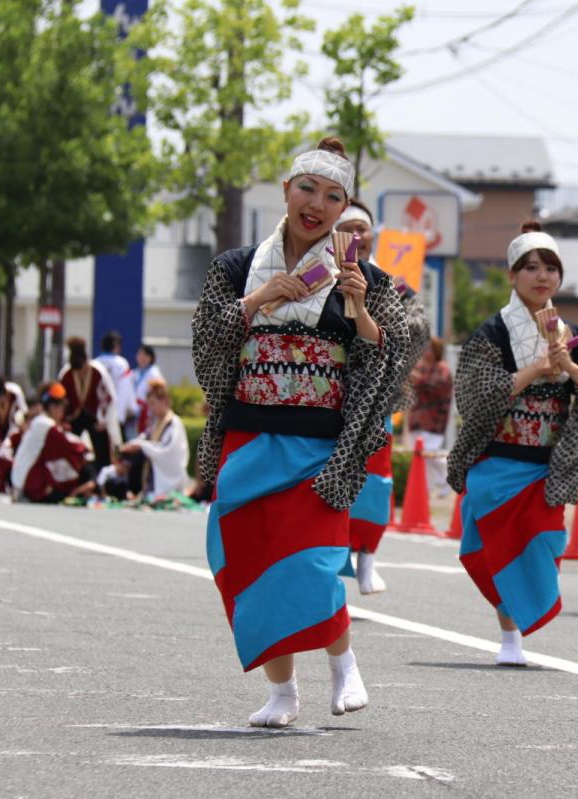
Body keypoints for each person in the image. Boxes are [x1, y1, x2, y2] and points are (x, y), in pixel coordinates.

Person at [194, 137, 410, 729]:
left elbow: (389, 364)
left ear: (345, 210)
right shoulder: (237, 267)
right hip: (248, 438)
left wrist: (361, 311)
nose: (316, 204)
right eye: (307, 190)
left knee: (312, 565)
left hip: (321, 448)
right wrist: (259, 299)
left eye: (332, 196)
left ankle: (343, 663)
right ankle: (282, 691)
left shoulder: (365, 277)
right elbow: (204, 345)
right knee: (245, 564)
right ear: (286, 191)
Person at [446, 221, 578, 667]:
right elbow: (474, 395)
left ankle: (519, 627)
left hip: (546, 466)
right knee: (498, 549)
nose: (542, 277)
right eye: (532, 268)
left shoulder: (572, 334)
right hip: (497, 461)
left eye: (551, 269)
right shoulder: (492, 334)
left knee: (542, 544)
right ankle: (510, 639)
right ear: (512, 275)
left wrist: (570, 369)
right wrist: (535, 371)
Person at [336, 197, 432, 596]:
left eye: (363, 228)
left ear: (374, 234)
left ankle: (368, 558)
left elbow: (419, 331)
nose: (356, 235)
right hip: (330, 400)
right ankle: (330, 556)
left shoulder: (396, 287)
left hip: (375, 402)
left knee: (374, 484)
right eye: (348, 229)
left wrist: (370, 313)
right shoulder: (317, 279)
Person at [11, 383, 96, 503]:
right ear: (52, 407)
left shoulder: (40, 423)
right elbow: (72, 447)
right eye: (61, 407)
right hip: (29, 481)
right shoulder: (45, 424)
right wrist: (87, 450)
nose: (62, 411)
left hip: (22, 480)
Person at [119, 381, 189, 502]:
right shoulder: (156, 423)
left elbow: (167, 449)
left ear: (164, 402)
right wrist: (133, 444)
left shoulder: (173, 423)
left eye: (153, 404)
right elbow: (144, 437)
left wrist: (142, 446)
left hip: (170, 474)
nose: (151, 409)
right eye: (149, 405)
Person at [58, 336, 121, 469]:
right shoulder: (66, 374)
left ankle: (103, 475)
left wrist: (105, 421)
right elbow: (61, 401)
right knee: (65, 445)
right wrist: (62, 421)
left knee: (102, 450)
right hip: (73, 417)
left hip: (95, 418)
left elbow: (109, 398)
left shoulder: (98, 372)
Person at [408, 336, 454, 499]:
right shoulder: (420, 366)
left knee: (430, 454)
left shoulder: (442, 369)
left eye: (429, 348)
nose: (425, 351)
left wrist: (418, 379)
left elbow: (437, 388)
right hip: (417, 419)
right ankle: (426, 490)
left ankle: (449, 477)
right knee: (421, 459)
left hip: (434, 420)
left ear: (436, 350)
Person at [95, 330, 135, 435]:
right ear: (116, 346)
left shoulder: (95, 363)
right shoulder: (121, 364)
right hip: (116, 416)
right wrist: (129, 410)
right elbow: (125, 391)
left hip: (97, 417)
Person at [127, 344, 165, 436]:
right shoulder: (134, 373)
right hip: (133, 413)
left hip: (147, 412)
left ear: (151, 358)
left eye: (145, 355)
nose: (141, 357)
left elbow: (159, 395)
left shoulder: (155, 373)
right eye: (139, 354)